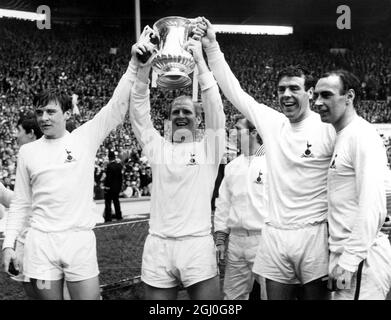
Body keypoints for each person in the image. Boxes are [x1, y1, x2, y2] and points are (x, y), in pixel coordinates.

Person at [199, 17, 335, 299]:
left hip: (314, 233)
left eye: (294, 88)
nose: (286, 94)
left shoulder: (327, 128)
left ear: (309, 92)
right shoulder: (273, 123)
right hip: (273, 234)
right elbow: (234, 91)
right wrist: (212, 48)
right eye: (282, 89)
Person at [1, 34, 145, 299]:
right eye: (40, 112)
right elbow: (20, 204)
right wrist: (8, 246)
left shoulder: (84, 138)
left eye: (50, 112)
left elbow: (115, 107)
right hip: (41, 244)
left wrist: (134, 65)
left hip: (79, 241)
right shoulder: (27, 152)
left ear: (67, 114)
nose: (43, 117)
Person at [129, 27, 225, 299]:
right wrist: (144, 69)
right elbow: (139, 114)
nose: (181, 115)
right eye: (175, 112)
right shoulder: (157, 148)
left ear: (198, 118)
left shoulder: (210, 148)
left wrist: (201, 64)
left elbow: (216, 108)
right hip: (158, 244)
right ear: (169, 119)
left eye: (187, 111)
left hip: (196, 245)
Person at [313, 70, 391, 299]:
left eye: (326, 95)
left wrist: (348, 262)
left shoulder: (362, 135)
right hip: (348, 256)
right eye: (316, 95)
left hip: (361, 261)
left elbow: (372, 204)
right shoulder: (341, 136)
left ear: (349, 96)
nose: (318, 102)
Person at [214, 114, 268, 300]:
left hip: (264, 238)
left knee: (270, 294)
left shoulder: (273, 162)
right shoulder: (232, 166)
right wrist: (221, 238)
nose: (233, 132)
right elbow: (223, 204)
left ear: (253, 132)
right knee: (232, 296)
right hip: (236, 241)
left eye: (238, 129)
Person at [104, 150, 123, 222]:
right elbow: (121, 178)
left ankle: (108, 217)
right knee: (116, 202)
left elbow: (108, 178)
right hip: (117, 187)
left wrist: (106, 187)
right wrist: (120, 187)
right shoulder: (119, 165)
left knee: (108, 202)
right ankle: (119, 216)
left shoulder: (109, 166)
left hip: (110, 187)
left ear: (109, 158)